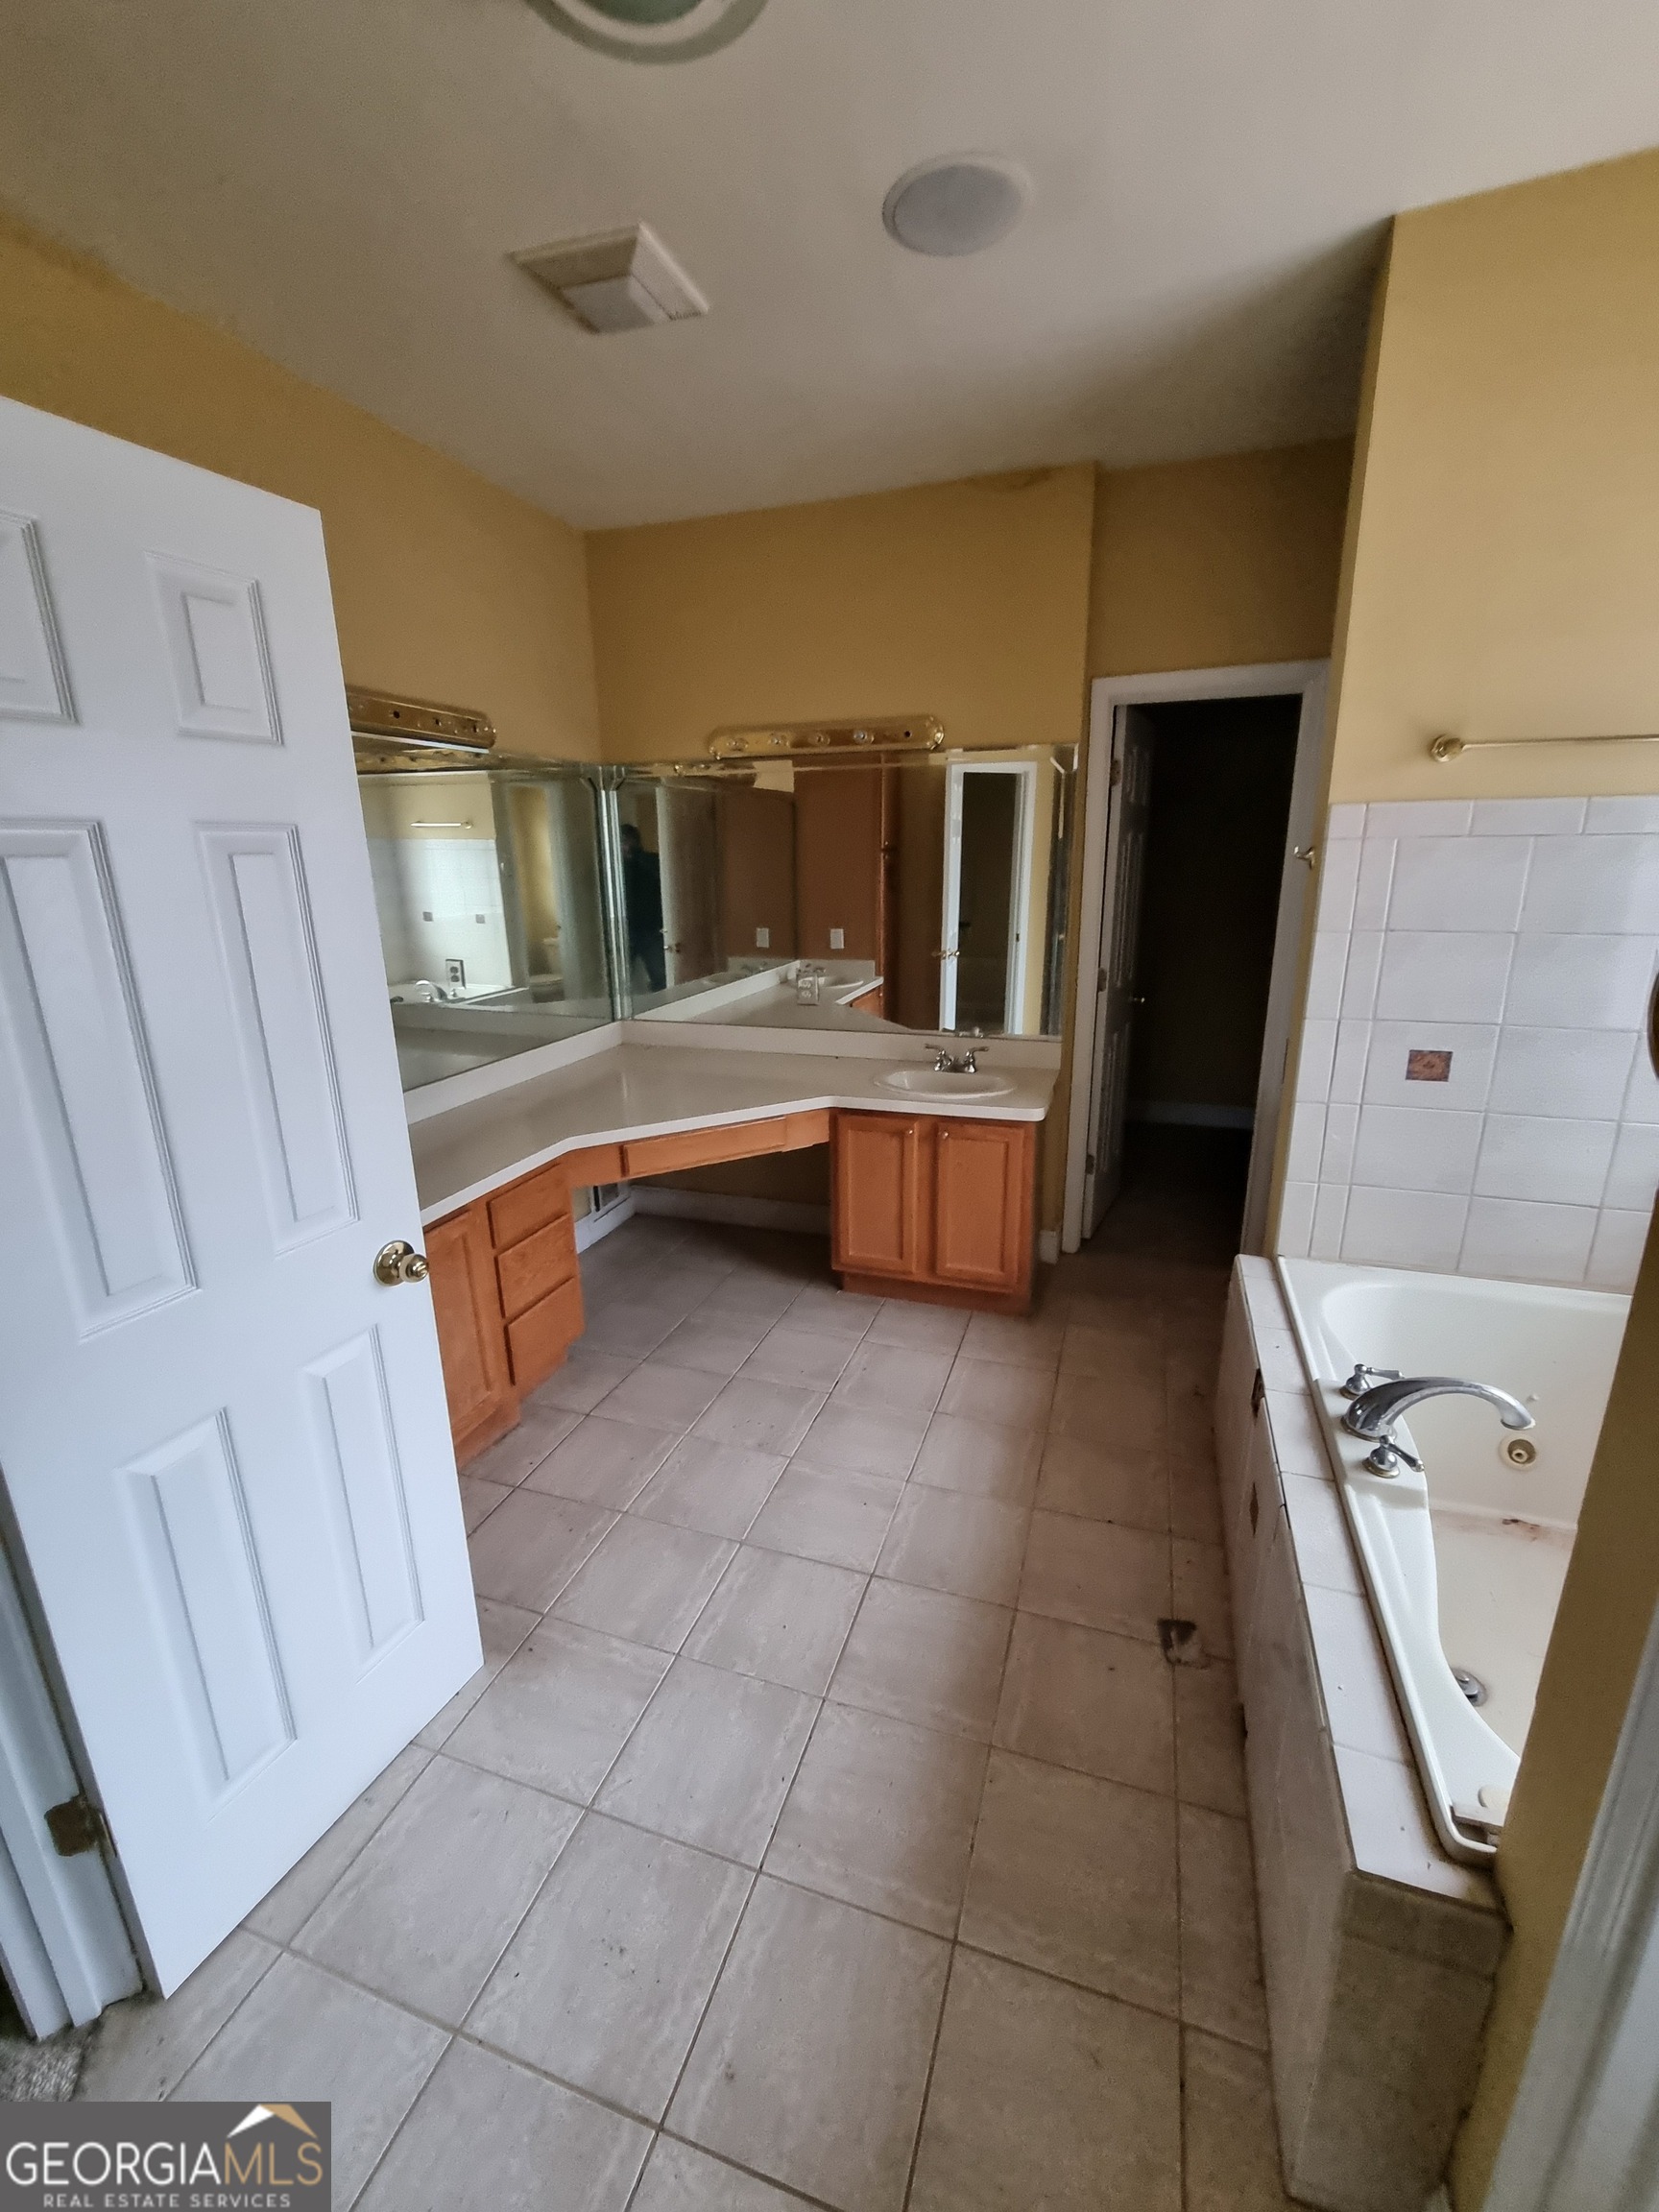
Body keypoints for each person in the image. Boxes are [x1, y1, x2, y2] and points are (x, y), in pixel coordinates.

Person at [619, 821, 666, 993]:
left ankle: (662, 1008)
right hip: (624, 931)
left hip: (651, 930)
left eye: (627, 841)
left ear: (636, 841)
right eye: (622, 842)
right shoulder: (616, 867)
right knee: (619, 979)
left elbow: (661, 878)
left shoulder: (650, 861)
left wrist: (637, 856)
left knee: (660, 977)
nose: (625, 846)